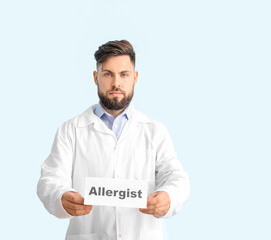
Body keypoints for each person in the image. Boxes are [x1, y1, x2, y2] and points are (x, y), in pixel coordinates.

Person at [37, 40, 190, 240]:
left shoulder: (155, 131)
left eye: (124, 74)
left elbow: (176, 177)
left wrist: (168, 197)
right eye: (108, 74)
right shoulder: (70, 130)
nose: (116, 83)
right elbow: (50, 179)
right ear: (95, 77)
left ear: (135, 78)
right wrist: (61, 197)